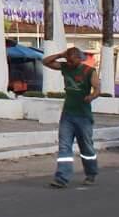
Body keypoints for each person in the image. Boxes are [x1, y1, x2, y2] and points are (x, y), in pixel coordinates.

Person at [43, 46, 100, 188]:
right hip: (67, 115)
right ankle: (62, 178)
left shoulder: (89, 71)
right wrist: (60, 54)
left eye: (72, 61)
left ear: (79, 59)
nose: (69, 63)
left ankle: (91, 173)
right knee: (64, 146)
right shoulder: (65, 67)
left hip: (83, 116)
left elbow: (97, 89)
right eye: (68, 60)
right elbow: (45, 62)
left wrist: (91, 96)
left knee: (86, 147)